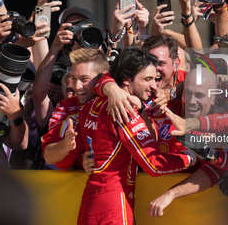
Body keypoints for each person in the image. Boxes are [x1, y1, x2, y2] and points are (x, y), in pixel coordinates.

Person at [52, 46, 197, 224]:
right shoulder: (123, 110)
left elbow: (102, 82)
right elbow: (154, 165)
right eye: (148, 79)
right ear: (127, 80)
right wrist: (192, 156)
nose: (154, 85)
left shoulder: (90, 106)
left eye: (155, 79)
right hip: (114, 206)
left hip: (91, 202)